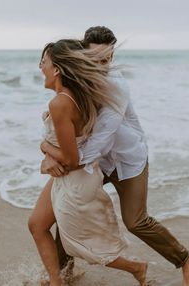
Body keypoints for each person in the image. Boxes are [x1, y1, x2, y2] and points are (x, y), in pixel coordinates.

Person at [43, 27, 189, 286]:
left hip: (127, 161)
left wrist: (59, 159)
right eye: (96, 59)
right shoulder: (77, 79)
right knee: (66, 207)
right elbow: (58, 124)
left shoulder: (116, 85)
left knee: (136, 221)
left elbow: (101, 140)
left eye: (108, 59)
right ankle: (64, 274)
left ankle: (186, 260)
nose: (103, 66)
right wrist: (47, 150)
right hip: (95, 161)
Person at [28, 39, 147, 286]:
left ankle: (136, 267)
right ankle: (56, 282)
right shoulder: (74, 96)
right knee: (37, 224)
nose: (41, 67)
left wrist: (44, 147)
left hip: (76, 179)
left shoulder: (61, 102)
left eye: (44, 62)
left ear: (57, 69)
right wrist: (49, 153)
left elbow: (72, 159)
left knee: (82, 245)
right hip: (68, 177)